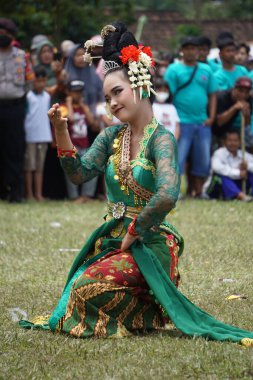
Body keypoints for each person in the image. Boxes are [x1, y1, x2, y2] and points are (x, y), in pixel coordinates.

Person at [20, 22, 253, 346]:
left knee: (87, 287)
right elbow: (78, 173)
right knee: (79, 286)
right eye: (106, 96)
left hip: (150, 243)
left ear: (141, 86)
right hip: (111, 240)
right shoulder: (111, 136)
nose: (112, 103)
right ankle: (148, 305)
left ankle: (152, 304)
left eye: (118, 92)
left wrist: (134, 230)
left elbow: (169, 194)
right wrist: (61, 130)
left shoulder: (161, 140)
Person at [164, 36, 218, 197]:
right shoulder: (173, 70)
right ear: (182, 50)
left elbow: (213, 94)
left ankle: (199, 192)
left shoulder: (206, 70)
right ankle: (175, 191)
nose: (190, 51)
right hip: (181, 121)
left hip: (202, 121)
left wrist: (212, 117)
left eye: (194, 48)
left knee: (203, 159)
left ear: (198, 51)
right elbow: (168, 94)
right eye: (187, 48)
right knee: (179, 158)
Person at [0, 18, 34, 202]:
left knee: (15, 149)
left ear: (12, 36)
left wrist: (18, 98)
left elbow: (30, 81)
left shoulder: (23, 56)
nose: (2, 36)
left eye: (6, 33)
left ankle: (16, 192)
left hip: (15, 107)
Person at [59, 79, 100, 202]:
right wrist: (69, 103)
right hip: (70, 146)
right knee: (71, 171)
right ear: (69, 92)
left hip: (84, 145)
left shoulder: (84, 106)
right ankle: (74, 197)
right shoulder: (63, 107)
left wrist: (83, 106)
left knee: (92, 168)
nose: (78, 95)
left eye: (80, 92)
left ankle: (86, 196)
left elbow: (92, 123)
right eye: (75, 92)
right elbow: (70, 119)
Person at [24, 65, 52, 201]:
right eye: (37, 81)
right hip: (30, 135)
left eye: (43, 81)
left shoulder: (47, 96)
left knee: (40, 167)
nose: (40, 84)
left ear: (46, 80)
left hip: (44, 135)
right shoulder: (28, 96)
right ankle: (29, 194)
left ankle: (38, 194)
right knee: (29, 166)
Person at [205, 131, 253, 201]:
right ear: (224, 142)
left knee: (250, 173)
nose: (233, 143)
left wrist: (247, 165)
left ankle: (243, 195)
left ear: (239, 142)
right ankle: (240, 195)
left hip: (237, 184)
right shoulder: (219, 153)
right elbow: (217, 168)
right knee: (220, 176)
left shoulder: (243, 154)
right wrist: (238, 173)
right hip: (217, 189)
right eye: (230, 140)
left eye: (235, 141)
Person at [213, 76, 252, 142]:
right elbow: (219, 122)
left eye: (246, 92)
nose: (243, 95)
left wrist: (247, 114)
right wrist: (234, 108)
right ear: (234, 88)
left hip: (227, 129)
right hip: (210, 129)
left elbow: (246, 125)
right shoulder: (222, 97)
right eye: (240, 91)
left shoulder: (248, 99)